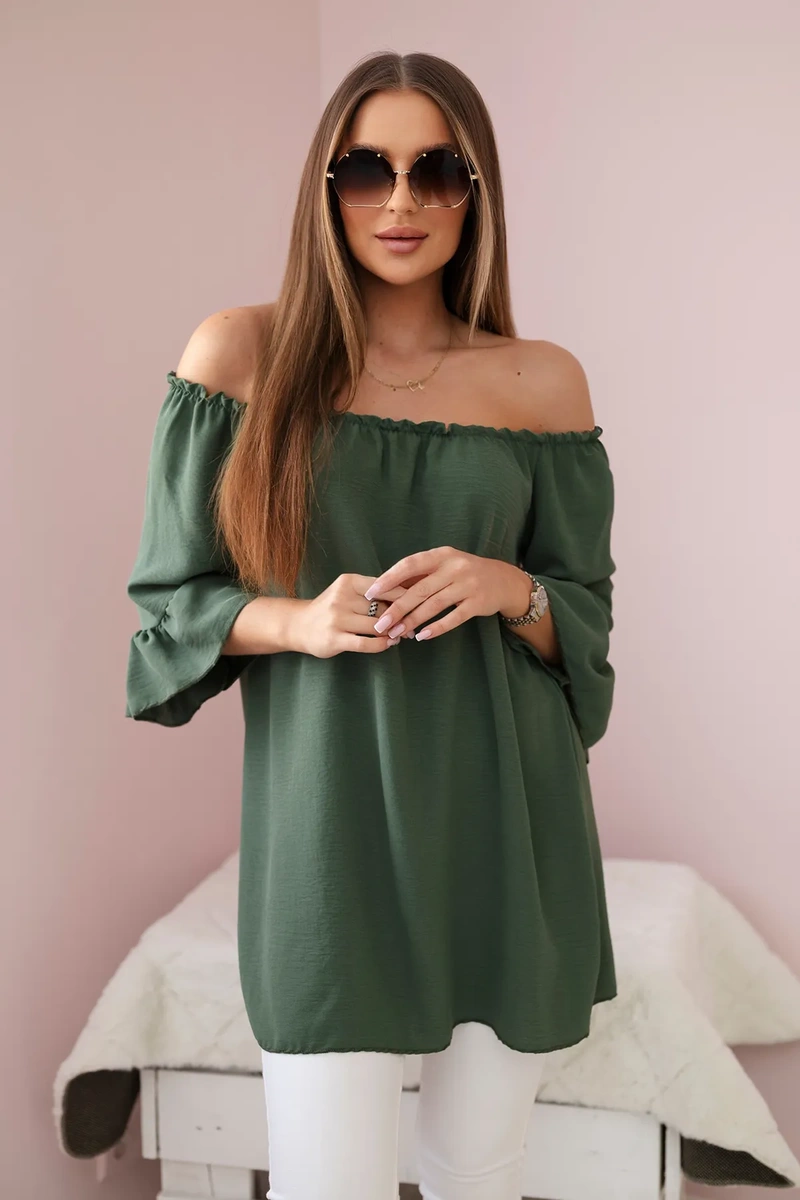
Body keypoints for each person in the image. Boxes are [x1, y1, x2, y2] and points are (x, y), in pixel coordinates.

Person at [125, 49, 618, 1200]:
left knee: (476, 1175)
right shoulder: (237, 357)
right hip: (326, 830)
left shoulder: (541, 383)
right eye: (365, 170)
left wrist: (508, 588)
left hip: (509, 827)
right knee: (324, 1180)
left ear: (474, 193)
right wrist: (297, 621)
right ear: (325, 186)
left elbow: (584, 630)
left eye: (434, 171)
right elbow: (168, 611)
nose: (399, 202)